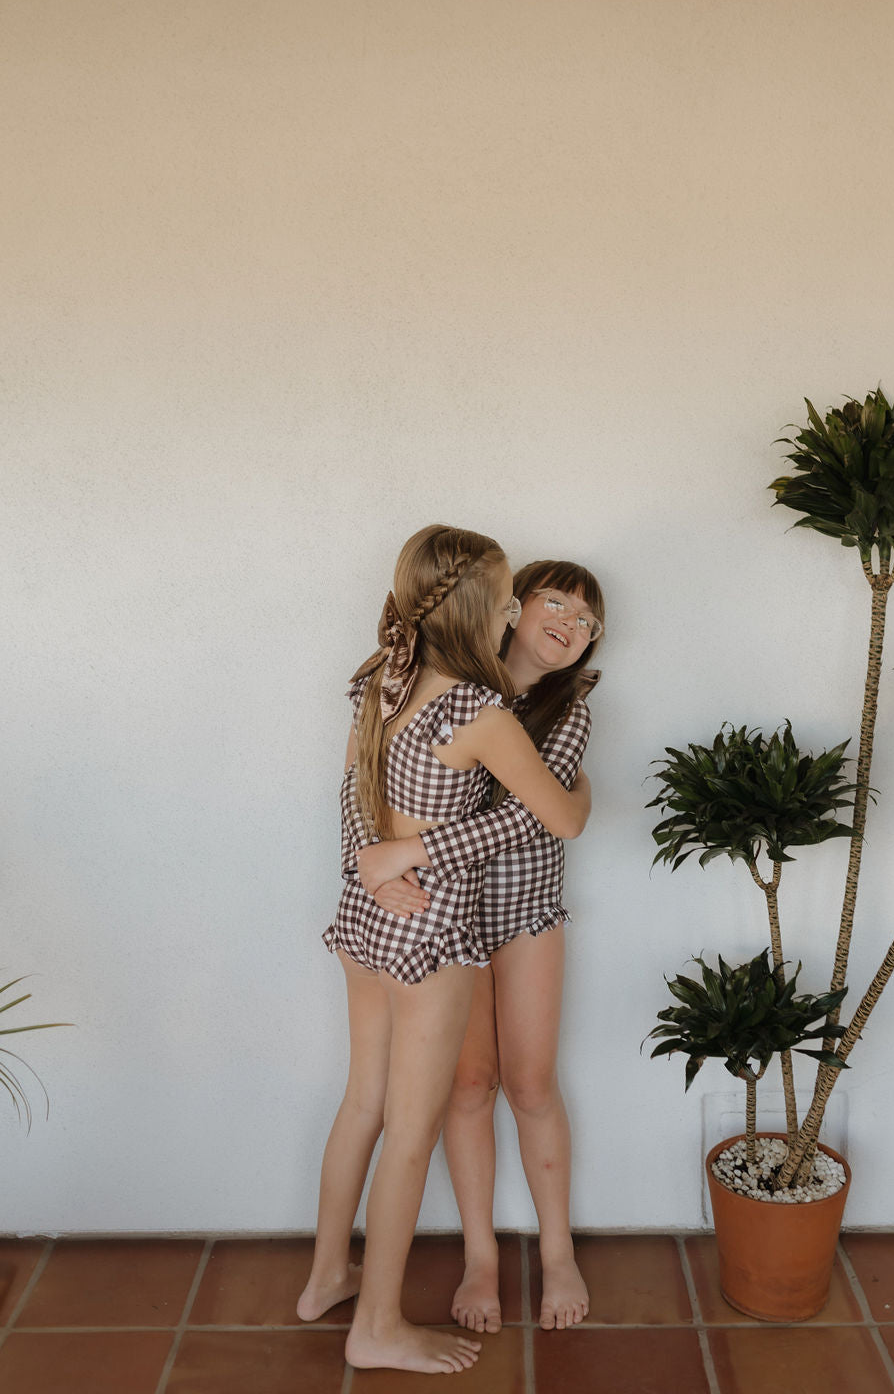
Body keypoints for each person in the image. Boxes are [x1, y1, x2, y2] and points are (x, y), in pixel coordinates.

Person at [297, 526, 591, 1377]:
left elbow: (354, 783)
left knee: (364, 1102)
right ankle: (378, 1325)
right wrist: (582, 781)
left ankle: (326, 1278)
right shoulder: (482, 714)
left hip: (365, 916)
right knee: (413, 1130)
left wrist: (375, 859)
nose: (514, 609)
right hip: (431, 936)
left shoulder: (381, 677)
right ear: (477, 611)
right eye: (508, 597)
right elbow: (561, 818)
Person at [356, 561, 604, 1336]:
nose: (571, 622)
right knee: (469, 1086)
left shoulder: (571, 713)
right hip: (449, 918)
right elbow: (365, 780)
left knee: (530, 1085)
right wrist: (369, 859)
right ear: (511, 607)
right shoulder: (442, 684)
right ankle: (480, 1257)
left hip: (526, 913)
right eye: (555, 601)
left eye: (589, 619)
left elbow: (537, 818)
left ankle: (557, 1251)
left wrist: (408, 854)